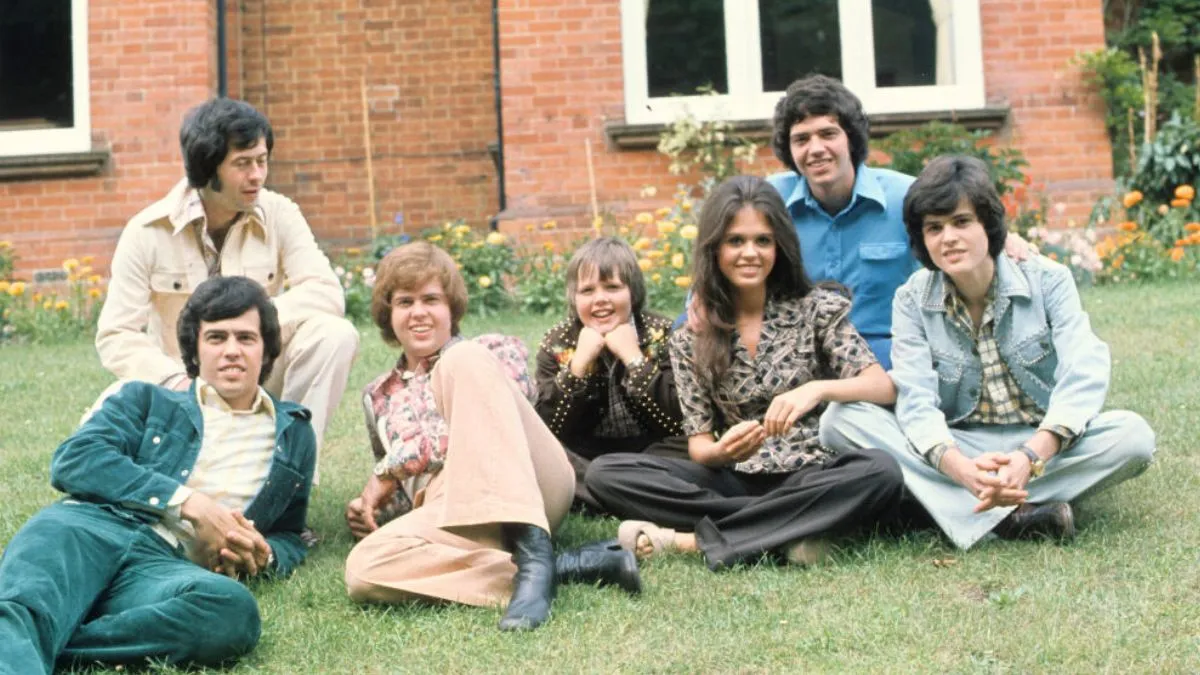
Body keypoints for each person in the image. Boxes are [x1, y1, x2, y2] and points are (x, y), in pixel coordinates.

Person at [820, 156, 1156, 549]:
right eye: (934, 228)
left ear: (988, 225)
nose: (948, 238)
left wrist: (1030, 457)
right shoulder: (911, 299)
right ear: (922, 239)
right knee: (840, 420)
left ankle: (947, 508)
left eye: (961, 222)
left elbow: (1085, 370)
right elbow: (915, 398)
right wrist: (959, 468)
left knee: (1134, 437)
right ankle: (1012, 517)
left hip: (1041, 441)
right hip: (960, 444)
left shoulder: (1049, 280)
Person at [586, 176, 904, 571]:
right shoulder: (691, 337)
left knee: (880, 471)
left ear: (780, 246)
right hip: (740, 476)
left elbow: (881, 385)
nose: (749, 253)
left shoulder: (818, 308)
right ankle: (793, 529)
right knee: (607, 473)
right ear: (715, 248)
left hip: (814, 471)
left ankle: (690, 541)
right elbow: (699, 446)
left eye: (762, 241)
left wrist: (816, 390)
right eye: (735, 241)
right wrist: (722, 452)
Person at [0, 276, 316, 672]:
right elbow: (75, 458)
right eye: (216, 338)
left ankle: (47, 640)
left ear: (266, 347)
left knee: (230, 612)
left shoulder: (294, 432)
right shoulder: (147, 398)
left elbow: (290, 532)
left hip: (166, 566)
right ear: (195, 350)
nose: (232, 351)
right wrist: (187, 502)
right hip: (86, 529)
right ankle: (29, 633)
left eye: (245, 338)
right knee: (25, 604)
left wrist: (264, 555)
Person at [343, 242, 641, 632]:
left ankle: (534, 547)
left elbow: (479, 431)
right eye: (404, 302)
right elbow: (406, 498)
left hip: (529, 484)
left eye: (431, 299)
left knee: (457, 361)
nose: (418, 312)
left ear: (451, 308)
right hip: (454, 510)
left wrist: (390, 469)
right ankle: (566, 566)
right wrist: (373, 511)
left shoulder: (490, 350)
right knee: (363, 569)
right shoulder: (377, 396)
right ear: (389, 314)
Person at [95, 97, 357, 476]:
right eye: (242, 164)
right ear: (207, 166)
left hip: (259, 373)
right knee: (110, 416)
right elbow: (116, 334)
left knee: (334, 334)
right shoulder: (147, 232)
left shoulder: (280, 212)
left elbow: (326, 291)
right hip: (181, 385)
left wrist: (253, 322)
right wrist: (176, 381)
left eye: (262, 160)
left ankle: (287, 481)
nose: (257, 175)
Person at [535, 237, 687, 511]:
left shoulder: (663, 333)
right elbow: (548, 429)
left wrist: (635, 360)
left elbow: (680, 420)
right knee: (542, 453)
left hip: (652, 453)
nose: (600, 299)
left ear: (633, 292)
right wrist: (577, 368)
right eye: (587, 290)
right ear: (574, 298)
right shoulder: (556, 342)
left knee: (694, 448)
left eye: (613, 287)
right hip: (585, 457)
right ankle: (630, 495)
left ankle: (602, 497)